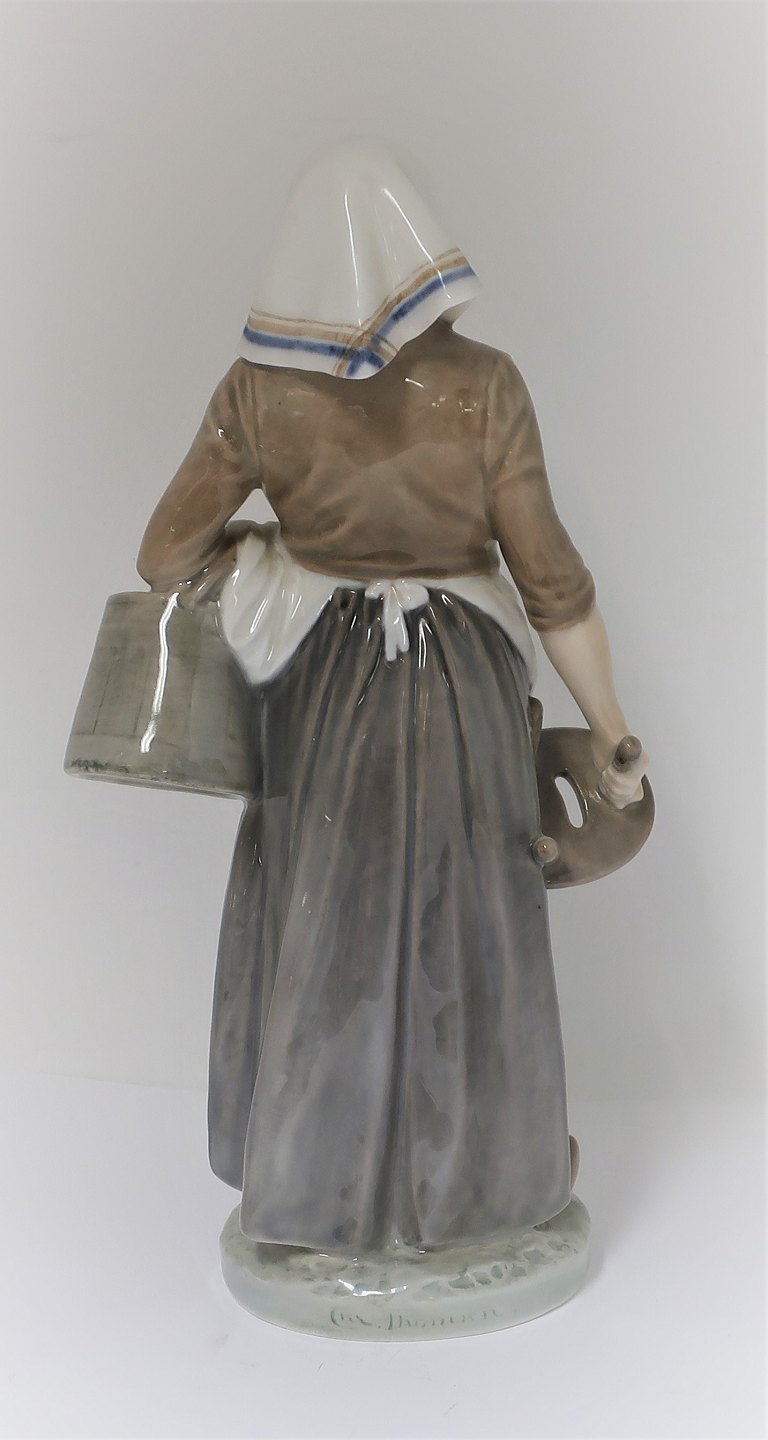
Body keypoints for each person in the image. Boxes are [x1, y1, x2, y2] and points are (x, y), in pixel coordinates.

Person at [137, 140, 647, 1255]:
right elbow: (554, 586)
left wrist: (273, 558)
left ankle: (314, 1184)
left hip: (320, 690)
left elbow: (166, 554)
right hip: (462, 688)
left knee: (325, 913)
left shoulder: (258, 391)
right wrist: (611, 729)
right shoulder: (484, 386)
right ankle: (488, 1182)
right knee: (471, 921)